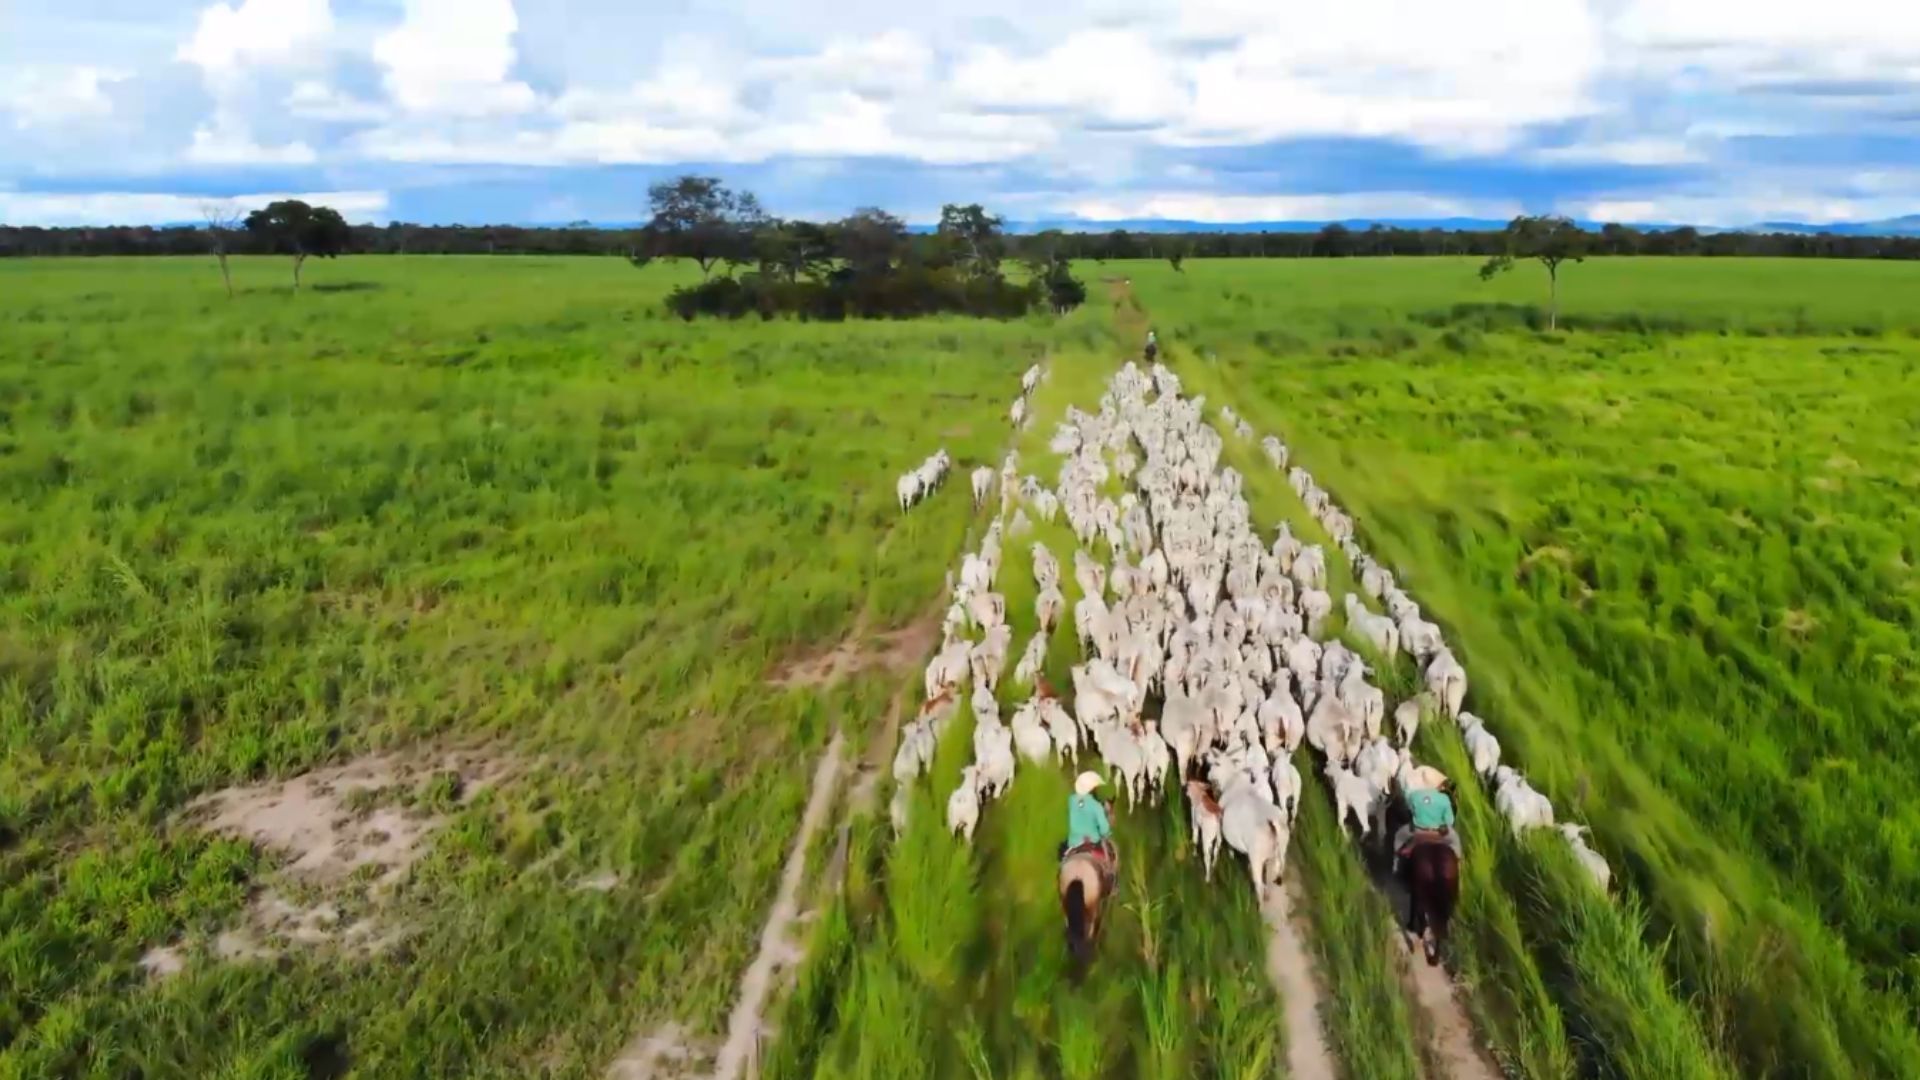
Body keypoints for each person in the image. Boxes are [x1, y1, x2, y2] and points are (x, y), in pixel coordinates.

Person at [1393, 774, 1462, 875]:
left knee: (1399, 836)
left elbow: (1410, 812)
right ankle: (1459, 869)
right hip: (1439, 833)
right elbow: (1449, 821)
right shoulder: (1444, 798)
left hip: (1417, 830)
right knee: (1456, 842)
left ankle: (1396, 865)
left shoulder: (1414, 795)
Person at [1063, 771, 1117, 870]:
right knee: (1108, 865)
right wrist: (1106, 831)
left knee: (1063, 860)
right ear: (1091, 789)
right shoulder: (1095, 805)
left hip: (1073, 844)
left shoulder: (1071, 801)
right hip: (1093, 843)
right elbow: (1104, 829)